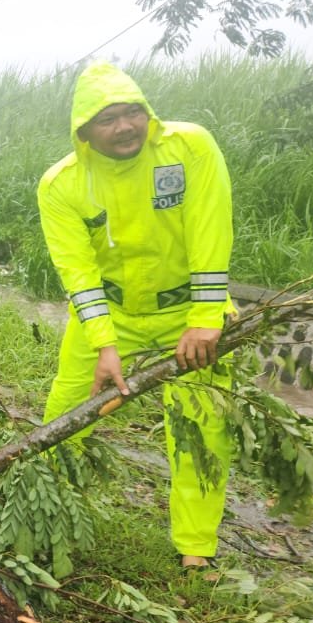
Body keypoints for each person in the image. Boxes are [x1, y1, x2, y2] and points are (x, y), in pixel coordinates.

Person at [38, 61, 235, 569]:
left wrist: (207, 316)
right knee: (66, 415)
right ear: (83, 131)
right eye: (108, 119)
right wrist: (105, 344)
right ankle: (46, 512)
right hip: (113, 318)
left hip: (189, 312)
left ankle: (196, 549)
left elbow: (211, 229)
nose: (125, 126)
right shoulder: (62, 184)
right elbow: (77, 273)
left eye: (133, 113)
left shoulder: (189, 148)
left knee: (202, 427)